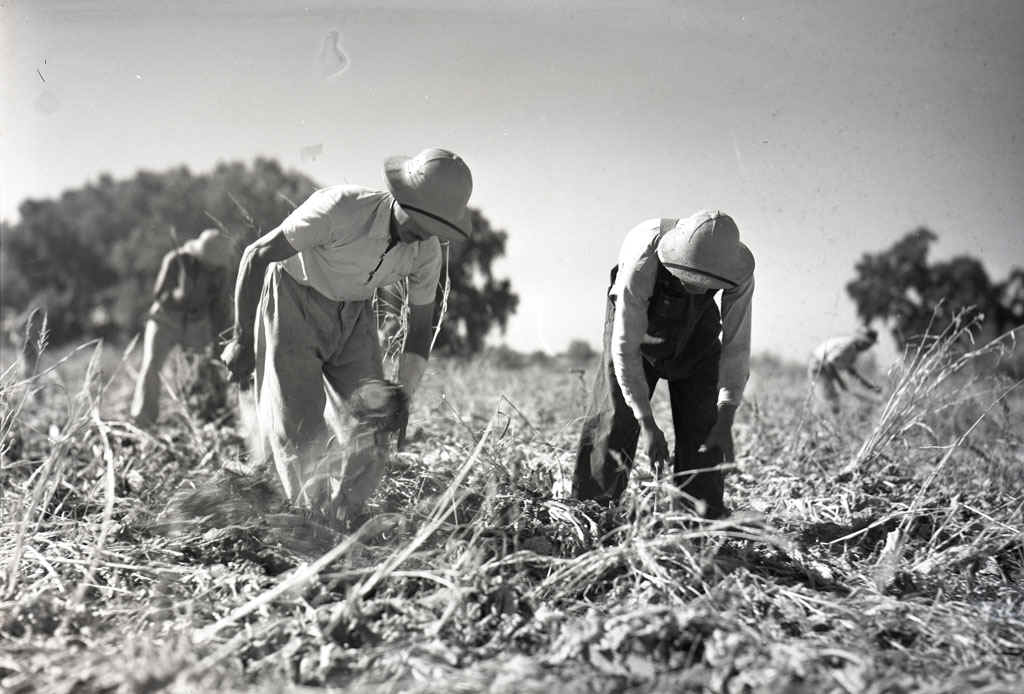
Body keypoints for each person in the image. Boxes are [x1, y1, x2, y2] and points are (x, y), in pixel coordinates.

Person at [220, 148, 472, 517]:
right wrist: (243, 339)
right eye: (417, 218)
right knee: (300, 427)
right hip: (294, 297)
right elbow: (257, 255)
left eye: (433, 226)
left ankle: (346, 514)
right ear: (401, 197)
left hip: (355, 312)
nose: (420, 232)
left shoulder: (426, 251)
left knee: (374, 423)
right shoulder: (340, 208)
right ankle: (311, 520)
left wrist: (402, 395)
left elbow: (420, 328)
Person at [574, 211, 754, 520]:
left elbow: (736, 348)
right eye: (691, 280)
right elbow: (625, 350)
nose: (699, 289)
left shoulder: (737, 269)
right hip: (635, 321)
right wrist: (648, 424)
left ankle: (699, 521)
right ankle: (593, 511)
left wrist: (726, 416)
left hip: (699, 329)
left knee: (704, 422)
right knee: (616, 415)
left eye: (707, 284)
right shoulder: (643, 255)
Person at [130, 229, 236, 427]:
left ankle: (203, 416)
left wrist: (219, 343)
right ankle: (143, 419)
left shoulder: (220, 273)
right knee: (152, 364)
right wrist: (179, 296)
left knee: (200, 368)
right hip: (165, 319)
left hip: (196, 324)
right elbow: (159, 294)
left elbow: (220, 310)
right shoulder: (175, 260)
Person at [808, 327, 881, 414]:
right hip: (819, 366)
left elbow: (850, 370)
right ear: (861, 340)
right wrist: (841, 383)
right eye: (867, 344)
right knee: (830, 399)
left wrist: (869, 386)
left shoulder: (853, 350)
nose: (868, 347)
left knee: (832, 399)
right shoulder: (847, 347)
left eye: (870, 345)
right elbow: (829, 363)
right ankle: (818, 419)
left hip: (823, 367)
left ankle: (827, 418)